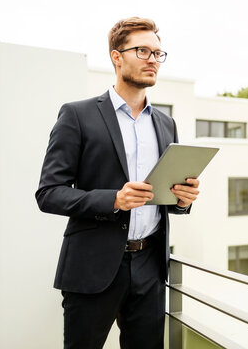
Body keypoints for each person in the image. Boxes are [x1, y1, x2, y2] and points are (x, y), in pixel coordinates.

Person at [35, 17, 198, 349]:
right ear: (116, 56)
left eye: (157, 52)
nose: (152, 59)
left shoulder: (166, 124)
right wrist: (113, 200)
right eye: (142, 50)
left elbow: (167, 195)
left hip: (150, 267)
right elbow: (49, 193)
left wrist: (183, 199)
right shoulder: (78, 115)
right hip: (92, 267)